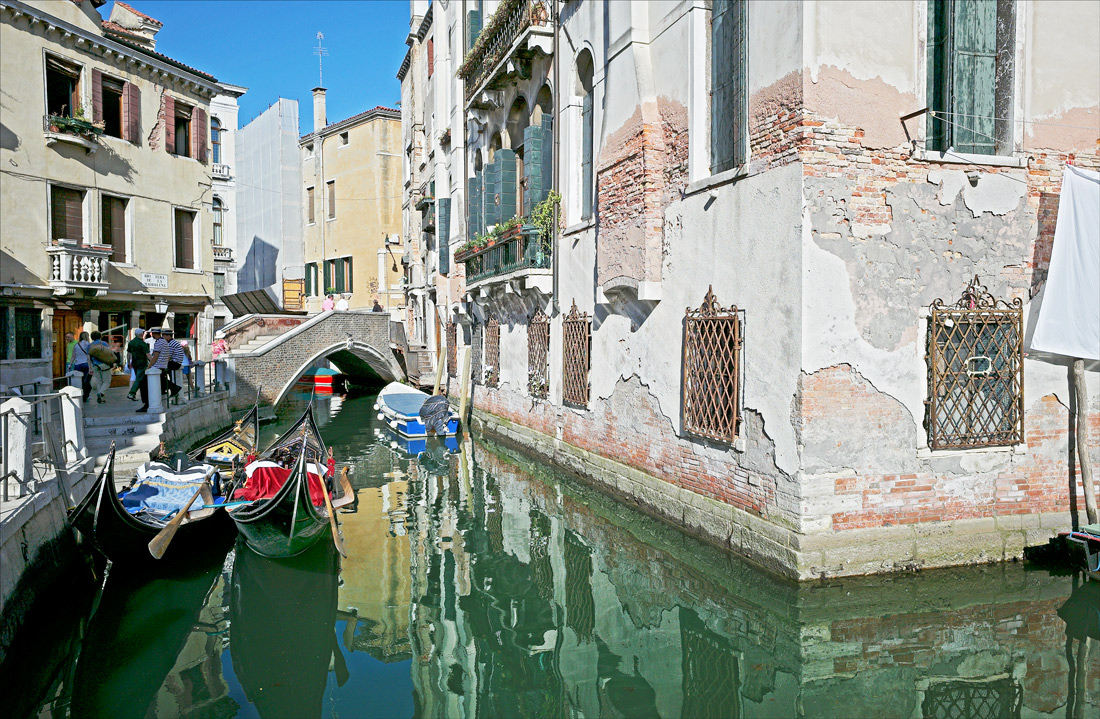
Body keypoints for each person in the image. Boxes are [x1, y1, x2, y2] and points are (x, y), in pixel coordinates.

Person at [146, 328, 180, 404]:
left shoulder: (158, 343)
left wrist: (149, 366)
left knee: (159, 380)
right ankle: (172, 389)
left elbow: (155, 356)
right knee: (162, 380)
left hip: (159, 364)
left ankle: (174, 388)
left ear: (154, 334)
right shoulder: (164, 342)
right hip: (164, 364)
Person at [88, 331, 114, 404]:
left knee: (99, 381)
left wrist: (90, 367)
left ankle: (101, 398)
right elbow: (109, 353)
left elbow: (88, 357)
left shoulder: (90, 345)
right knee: (107, 381)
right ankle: (101, 393)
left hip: (95, 365)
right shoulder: (104, 343)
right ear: (100, 336)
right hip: (104, 364)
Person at [127, 328, 150, 402]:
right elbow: (147, 354)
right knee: (139, 379)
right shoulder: (142, 343)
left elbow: (128, 353)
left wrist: (128, 362)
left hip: (134, 363)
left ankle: (133, 395)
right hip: (142, 363)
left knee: (139, 379)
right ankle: (132, 393)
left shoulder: (131, 342)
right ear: (142, 334)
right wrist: (153, 361)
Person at [70, 331, 92, 402]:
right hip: (86, 364)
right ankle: (85, 395)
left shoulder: (76, 345)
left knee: (80, 381)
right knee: (87, 380)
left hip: (77, 364)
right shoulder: (88, 345)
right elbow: (89, 357)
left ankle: (81, 394)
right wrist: (90, 367)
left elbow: (73, 356)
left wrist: (70, 364)